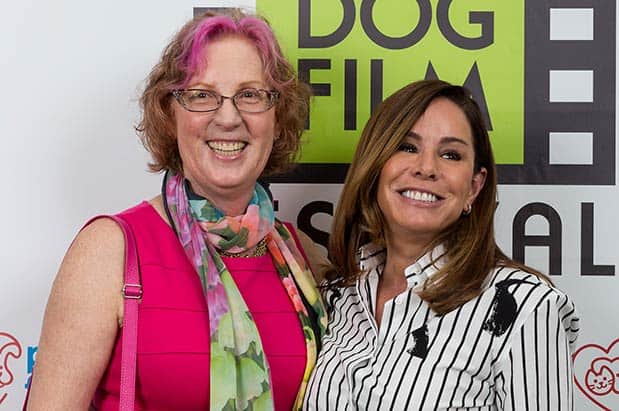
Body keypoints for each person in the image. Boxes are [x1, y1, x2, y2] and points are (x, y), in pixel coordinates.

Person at [26, 9, 327, 411]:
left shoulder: (301, 256)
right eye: (202, 95)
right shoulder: (112, 250)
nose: (228, 117)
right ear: (170, 114)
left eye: (250, 95)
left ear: (278, 117)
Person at [303, 80, 579, 410]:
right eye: (406, 146)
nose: (426, 168)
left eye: (451, 154)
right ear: (375, 166)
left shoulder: (525, 308)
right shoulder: (337, 295)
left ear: (474, 187)